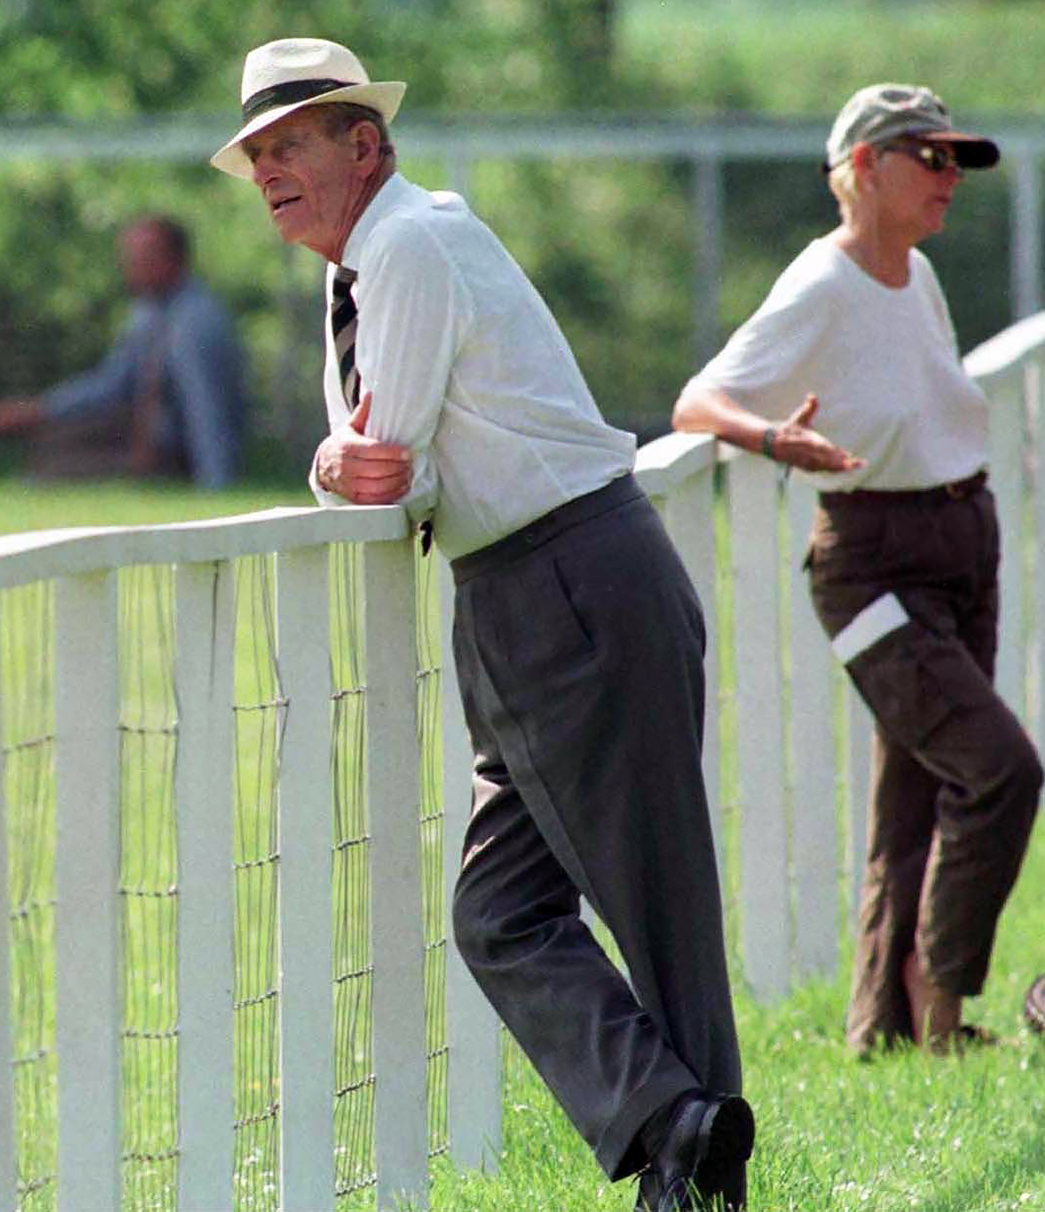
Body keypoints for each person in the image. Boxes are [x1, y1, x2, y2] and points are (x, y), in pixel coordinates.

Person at [210, 37, 754, 1210]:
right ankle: (682, 1126)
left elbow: (387, 474)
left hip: (567, 581)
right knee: (501, 914)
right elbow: (372, 462)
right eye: (255, 154)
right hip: (525, 590)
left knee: (645, 902)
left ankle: (696, 1171)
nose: (266, 172)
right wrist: (343, 461)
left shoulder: (406, 244)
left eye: (288, 145)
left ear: (366, 144)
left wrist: (336, 462)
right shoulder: (365, 261)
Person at [673, 84, 1043, 1055]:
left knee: (918, 788)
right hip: (873, 565)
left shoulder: (914, 274)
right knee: (998, 769)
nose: (951, 178)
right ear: (865, 169)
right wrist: (772, 441)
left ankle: (881, 1029)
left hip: (964, 539)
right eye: (932, 157)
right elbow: (696, 403)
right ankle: (941, 1000)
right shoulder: (820, 283)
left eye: (958, 160)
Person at [0, 216, 247, 489]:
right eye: (129, 257)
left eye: (144, 256)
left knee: (58, 462)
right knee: (51, 439)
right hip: (137, 435)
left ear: (176, 258)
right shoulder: (147, 312)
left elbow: (205, 407)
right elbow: (112, 383)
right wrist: (41, 409)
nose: (132, 266)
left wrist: (215, 484)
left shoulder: (195, 320)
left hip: (173, 454)